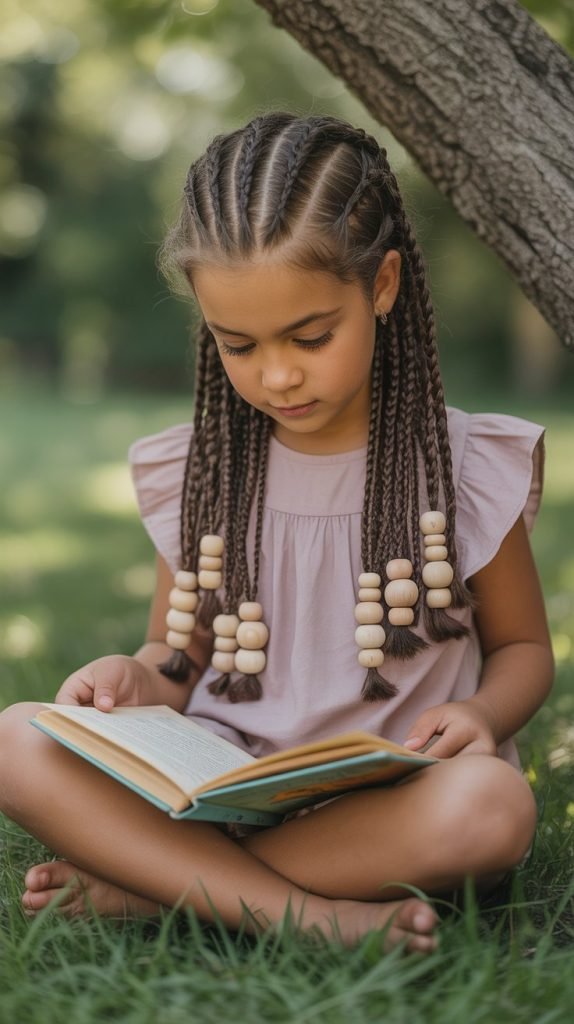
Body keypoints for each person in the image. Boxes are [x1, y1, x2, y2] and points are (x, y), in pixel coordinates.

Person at [0, 112, 554, 955]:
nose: (278, 374)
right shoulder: (205, 470)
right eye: (239, 345)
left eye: (310, 336)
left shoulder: (465, 465)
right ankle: (311, 914)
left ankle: (164, 884)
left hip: (390, 798)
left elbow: (523, 651)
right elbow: (174, 663)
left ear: (382, 284)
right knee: (14, 740)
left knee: (494, 807)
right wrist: (130, 679)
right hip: (219, 778)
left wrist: (481, 715)